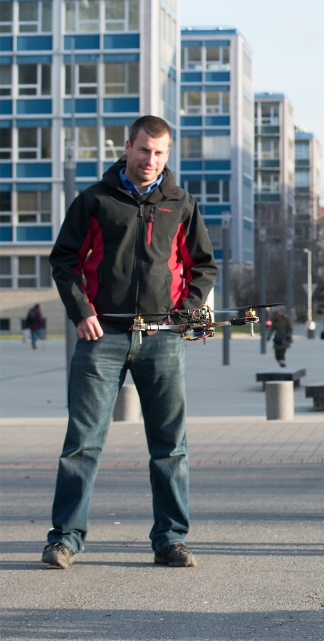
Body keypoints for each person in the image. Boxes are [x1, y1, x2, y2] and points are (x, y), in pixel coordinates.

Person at [44, 115, 217, 569]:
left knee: (170, 445)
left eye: (160, 153)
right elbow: (64, 261)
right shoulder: (95, 200)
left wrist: (188, 310)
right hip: (103, 336)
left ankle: (170, 540)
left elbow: (203, 265)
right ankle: (64, 539)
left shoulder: (181, 203)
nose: (150, 161)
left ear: (168, 155)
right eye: (144, 151)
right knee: (82, 443)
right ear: (127, 147)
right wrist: (81, 311)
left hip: (162, 338)